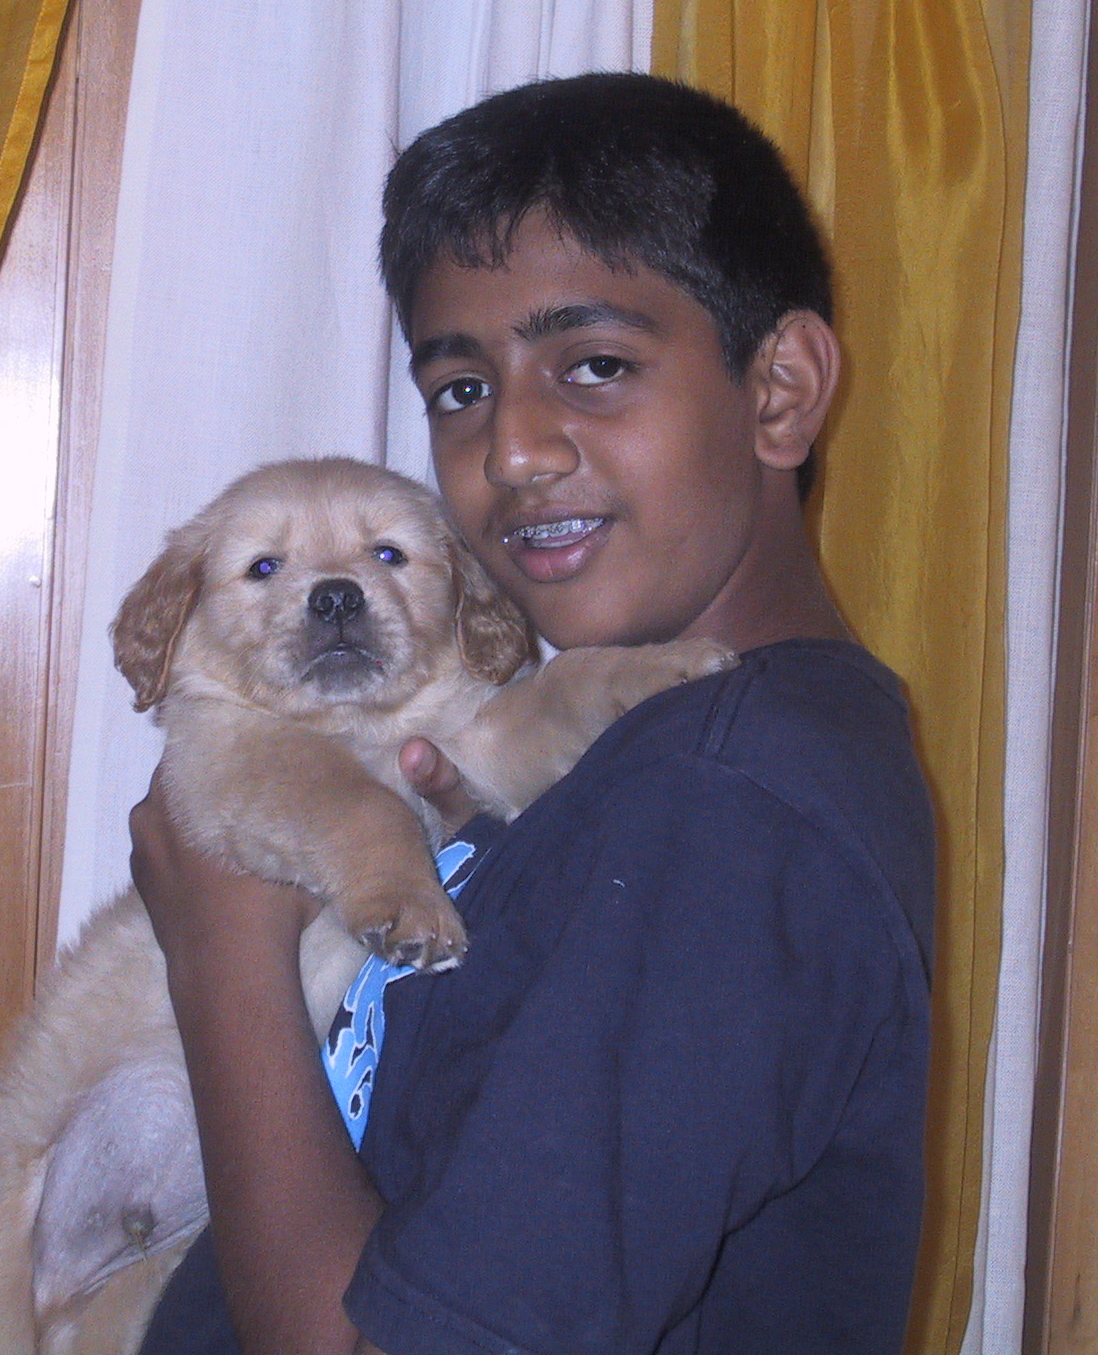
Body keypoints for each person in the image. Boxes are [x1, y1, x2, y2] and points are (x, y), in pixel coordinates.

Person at [129, 72, 936, 1355]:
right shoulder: (652, 758)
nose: (510, 450)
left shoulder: (723, 807)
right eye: (459, 390)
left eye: (596, 366)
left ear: (779, 389)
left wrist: (219, 951)